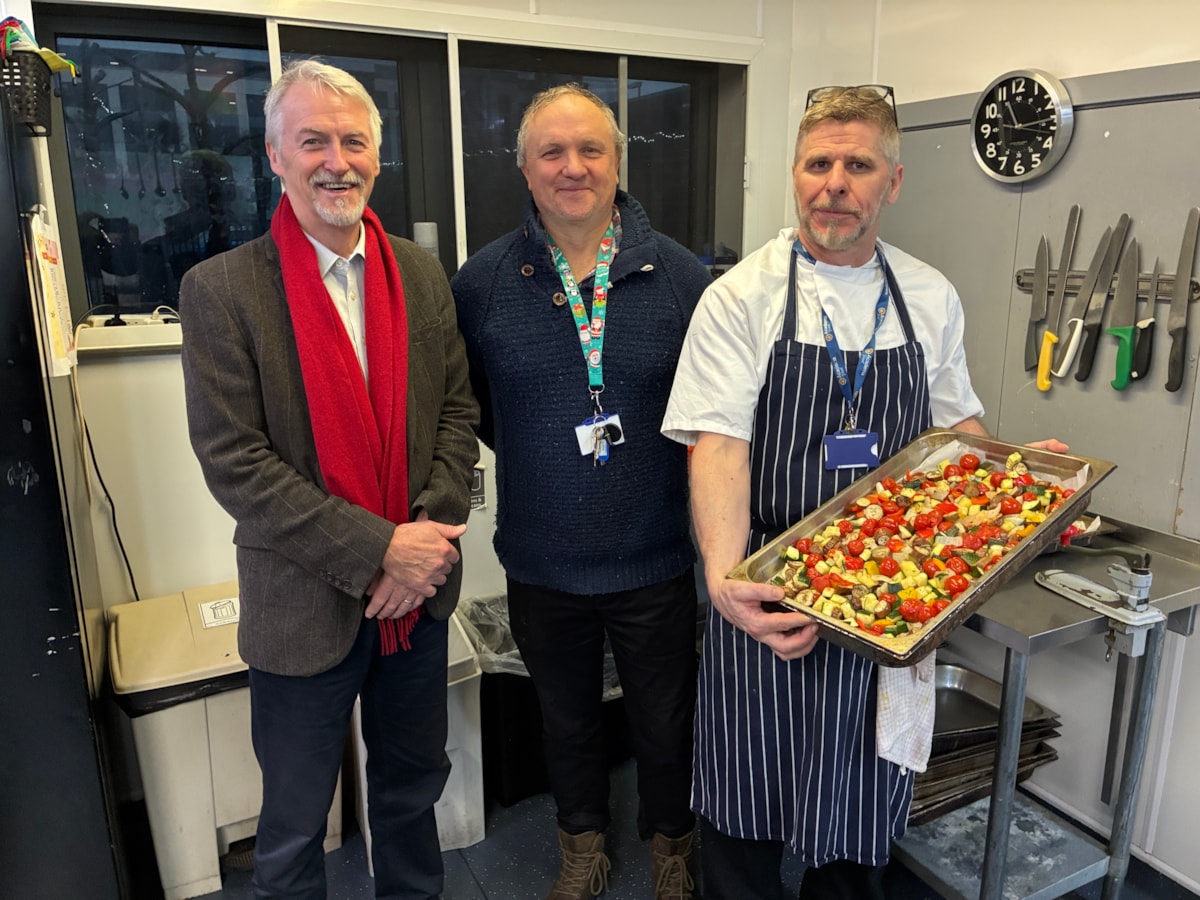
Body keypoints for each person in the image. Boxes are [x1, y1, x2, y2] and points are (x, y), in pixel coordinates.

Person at [661, 84, 1067, 899]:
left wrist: (1022, 475)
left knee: (859, 818)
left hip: (891, 602)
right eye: (819, 163)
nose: (835, 183)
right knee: (744, 810)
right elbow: (720, 449)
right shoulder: (740, 297)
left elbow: (959, 440)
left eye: (858, 164)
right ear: (794, 174)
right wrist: (726, 579)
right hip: (771, 588)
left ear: (893, 181)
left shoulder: (928, 294)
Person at [179, 59, 479, 899]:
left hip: (417, 602)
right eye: (312, 140)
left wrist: (421, 546)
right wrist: (382, 551)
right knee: (293, 823)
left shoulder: (420, 275)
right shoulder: (221, 291)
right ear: (275, 155)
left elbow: (456, 417)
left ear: (376, 158)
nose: (335, 161)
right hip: (300, 606)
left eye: (353, 141)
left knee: (411, 793)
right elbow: (236, 464)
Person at [451, 84, 712, 900]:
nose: (573, 168)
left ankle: (672, 845)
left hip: (655, 556)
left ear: (617, 160)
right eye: (553, 153)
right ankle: (581, 844)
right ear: (524, 168)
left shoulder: (680, 275)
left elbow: (705, 412)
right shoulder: (485, 282)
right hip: (542, 559)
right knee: (563, 720)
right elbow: (478, 409)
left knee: (665, 721)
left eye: (590, 150)